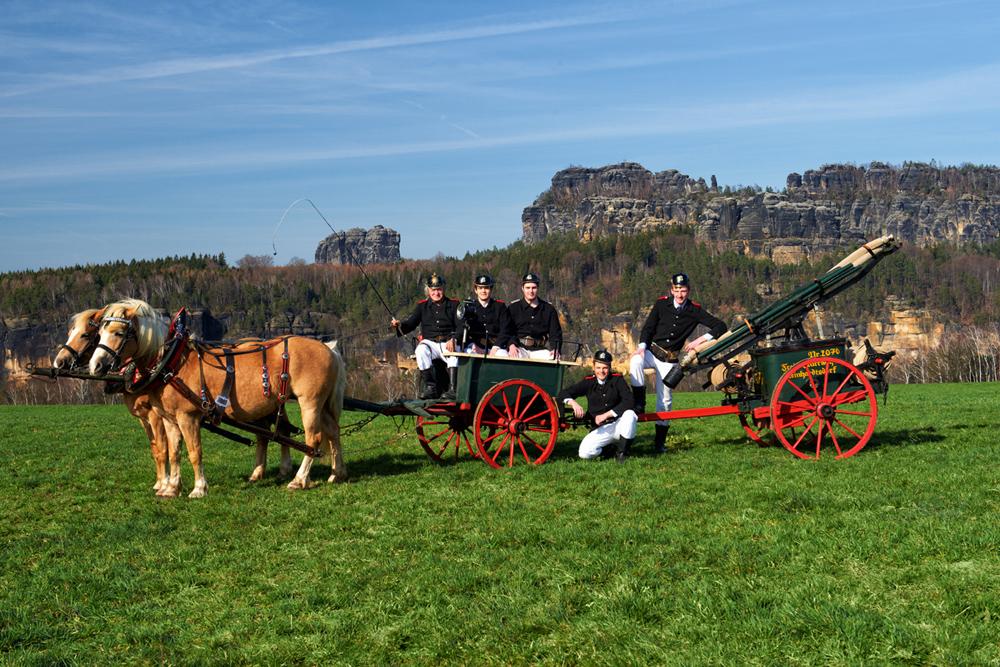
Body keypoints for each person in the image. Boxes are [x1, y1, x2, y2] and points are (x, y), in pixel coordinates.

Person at [630, 272, 727, 453]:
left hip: (670, 361)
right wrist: (642, 347)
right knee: (635, 360)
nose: (680, 294)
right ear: (671, 290)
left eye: (683, 290)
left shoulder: (695, 310)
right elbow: (648, 328)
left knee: (665, 402)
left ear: (688, 290)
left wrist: (700, 340)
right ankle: (638, 402)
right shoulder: (661, 304)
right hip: (651, 353)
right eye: (677, 290)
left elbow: (721, 326)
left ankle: (659, 443)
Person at [557, 350, 637, 463]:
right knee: (584, 453)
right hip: (600, 429)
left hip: (619, 424)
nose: (601, 371)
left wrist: (606, 415)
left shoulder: (617, 380)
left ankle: (623, 454)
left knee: (630, 415)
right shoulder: (588, 382)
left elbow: (630, 401)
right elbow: (563, 393)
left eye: (605, 368)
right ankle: (609, 450)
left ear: (609, 368)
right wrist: (573, 403)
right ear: (593, 367)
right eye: (598, 367)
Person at [391, 273, 461, 400]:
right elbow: (411, 324)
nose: (436, 293)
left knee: (454, 351)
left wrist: (454, 338)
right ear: (428, 291)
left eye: (439, 289)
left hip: (448, 342)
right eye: (433, 290)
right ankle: (430, 388)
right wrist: (399, 325)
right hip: (431, 344)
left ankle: (452, 389)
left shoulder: (454, 305)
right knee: (420, 350)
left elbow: (462, 326)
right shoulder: (422, 306)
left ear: (444, 289)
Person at [508, 273, 563, 360]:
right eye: (527, 288)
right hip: (519, 348)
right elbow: (508, 330)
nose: (531, 291)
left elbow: (555, 333)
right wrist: (511, 345)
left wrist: (555, 349)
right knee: (512, 356)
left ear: (538, 287)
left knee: (554, 358)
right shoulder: (513, 308)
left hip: (539, 350)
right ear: (522, 288)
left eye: (533, 288)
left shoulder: (549, 309)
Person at [462, 274, 518, 356]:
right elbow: (463, 329)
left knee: (503, 356)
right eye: (480, 288)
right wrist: (472, 345)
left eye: (486, 288)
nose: (483, 291)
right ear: (475, 290)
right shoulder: (469, 307)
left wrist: (496, 347)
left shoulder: (500, 307)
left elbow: (505, 328)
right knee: (469, 354)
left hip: (496, 346)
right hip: (476, 347)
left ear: (491, 290)